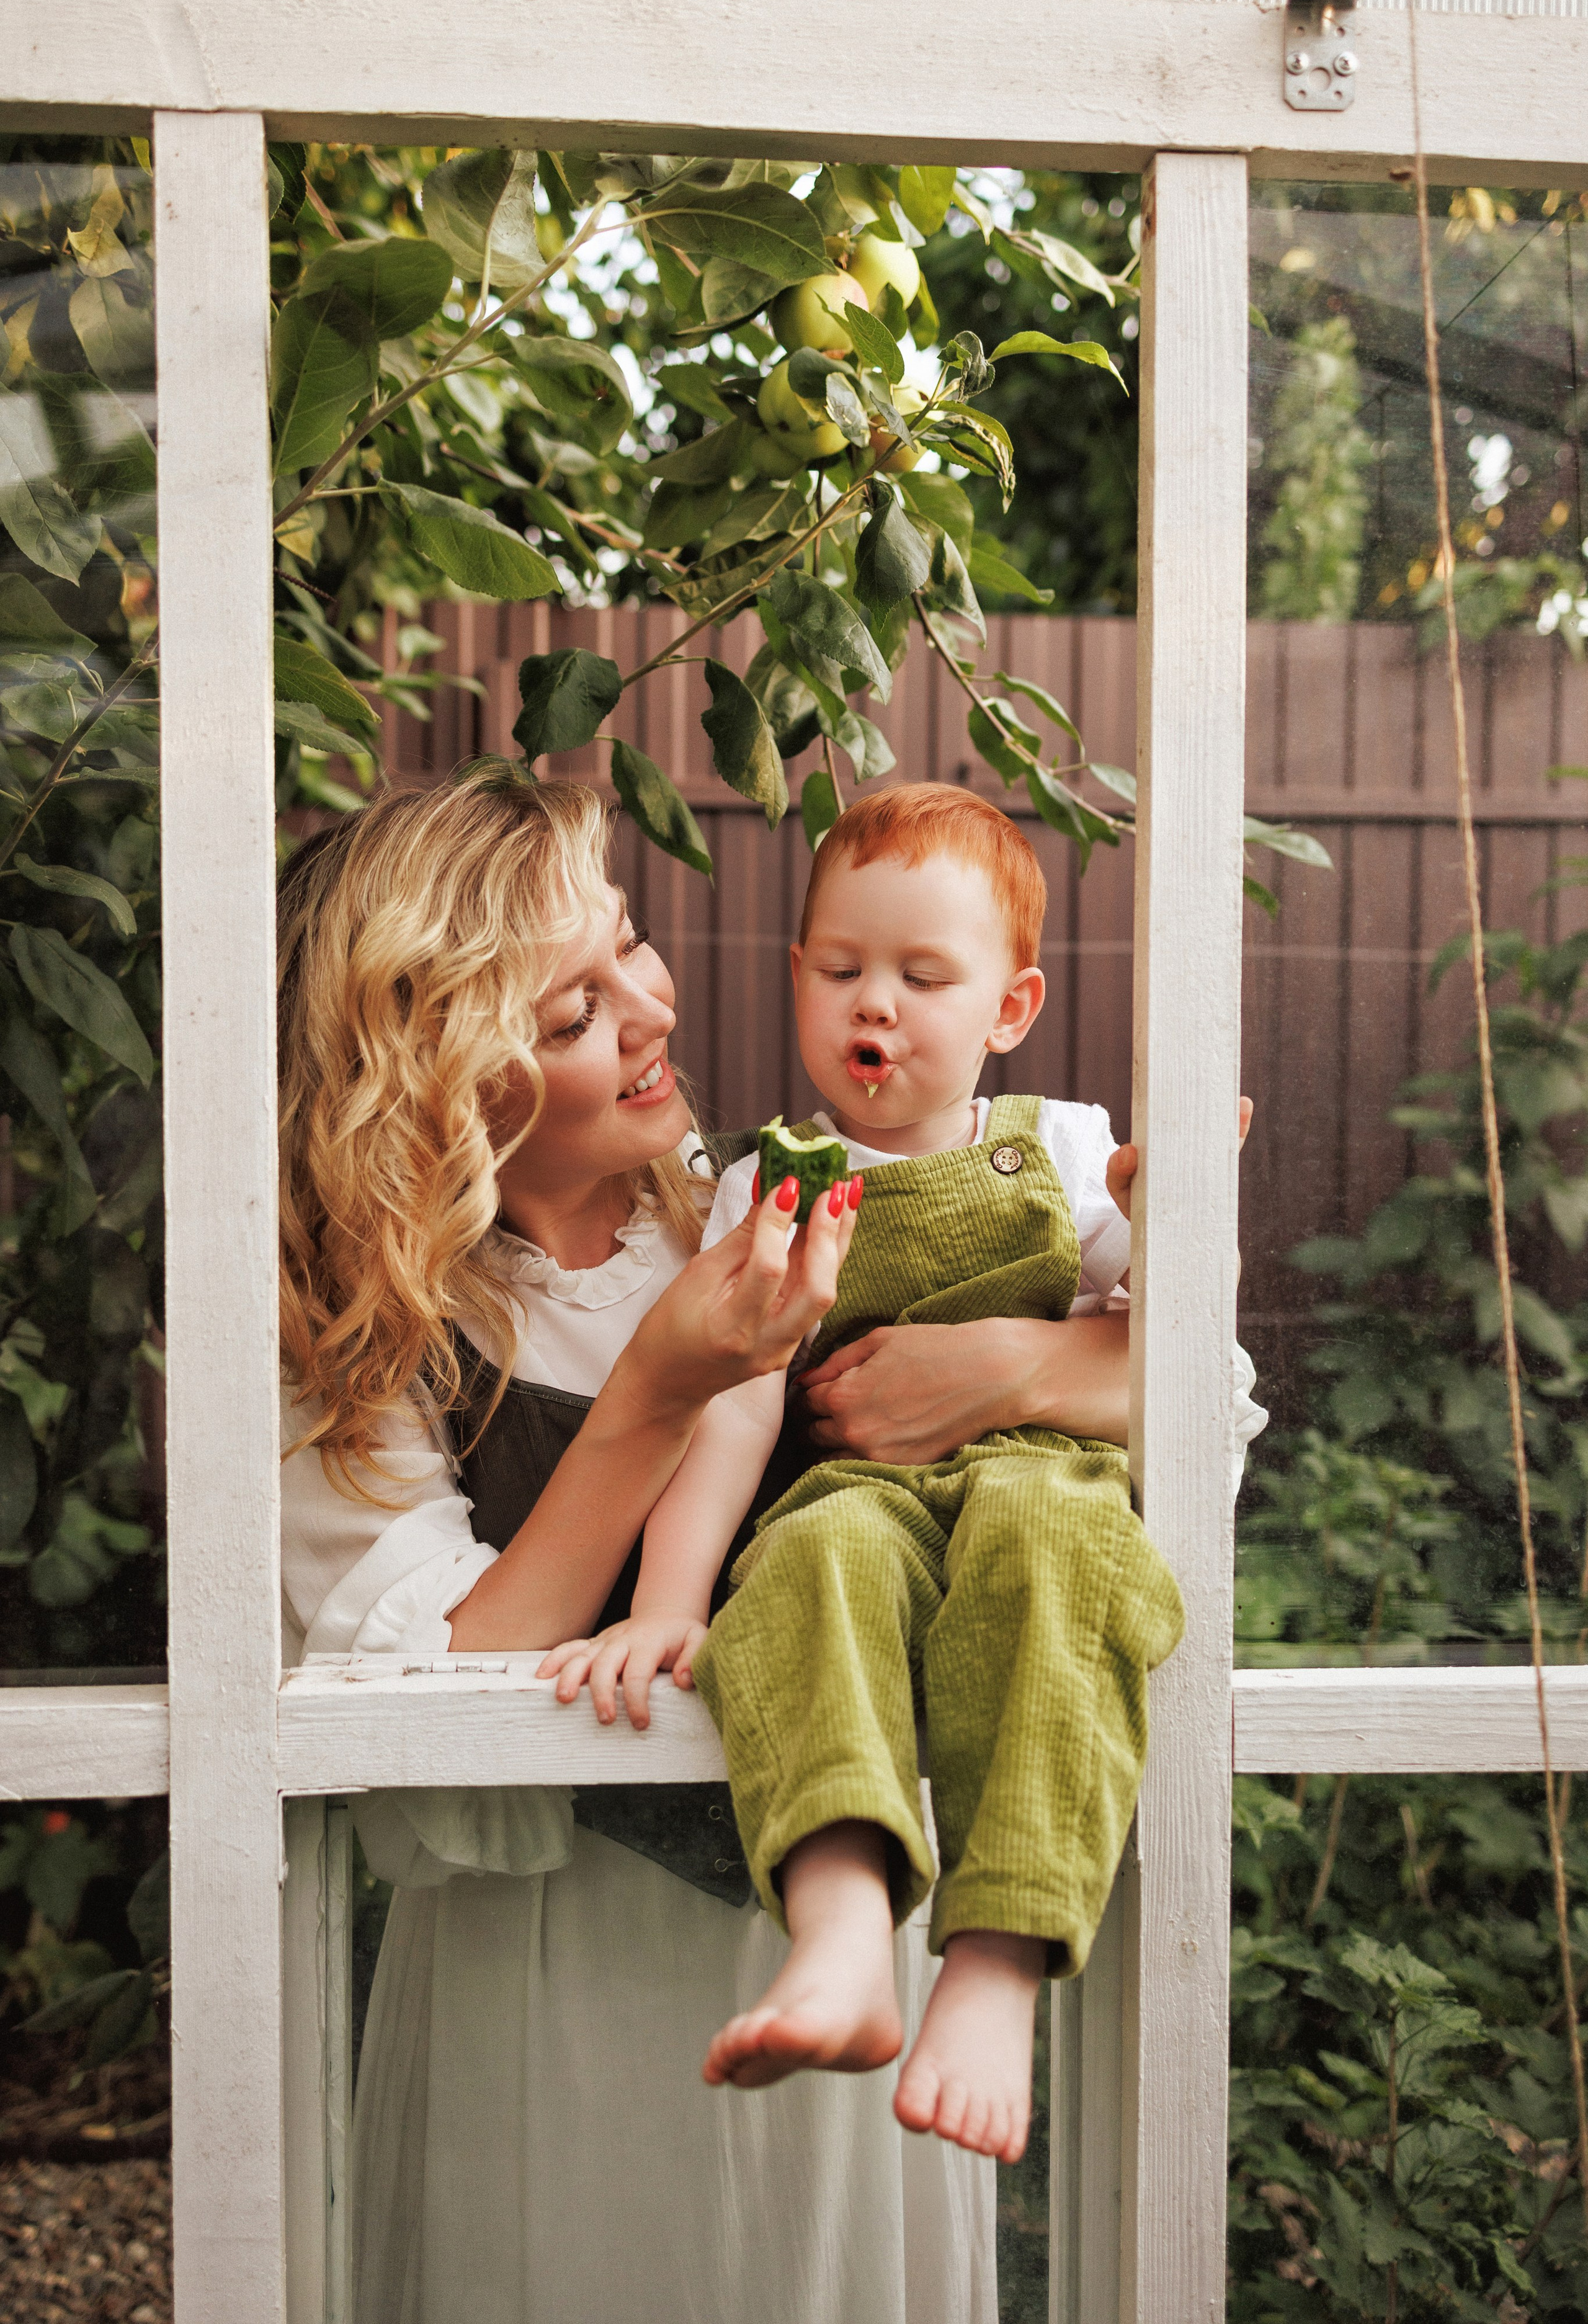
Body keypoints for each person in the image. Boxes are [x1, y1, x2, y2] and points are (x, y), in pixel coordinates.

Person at [277, 775, 1022, 2324]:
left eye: (629, 946)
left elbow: (1183, 1420)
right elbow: (431, 1695)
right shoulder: (349, 1341)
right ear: (437, 1081)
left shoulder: (782, 1202)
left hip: (833, 1934)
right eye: (572, 1012)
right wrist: (658, 1387)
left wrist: (1023, 1370)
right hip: (541, 1989)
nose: (649, 1007)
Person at [542, 784, 1265, 2170]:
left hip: (1040, 1476)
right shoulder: (773, 1180)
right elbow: (736, 1414)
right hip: (855, 1492)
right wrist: (671, 1597)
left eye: (922, 977)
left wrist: (1178, 1203)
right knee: (805, 1569)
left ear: (1008, 1006)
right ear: (795, 976)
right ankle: (841, 1933)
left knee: (1057, 1559)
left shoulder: (1058, 1146)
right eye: (840, 969)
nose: (874, 1005)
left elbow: (1172, 1339)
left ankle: (992, 1966)